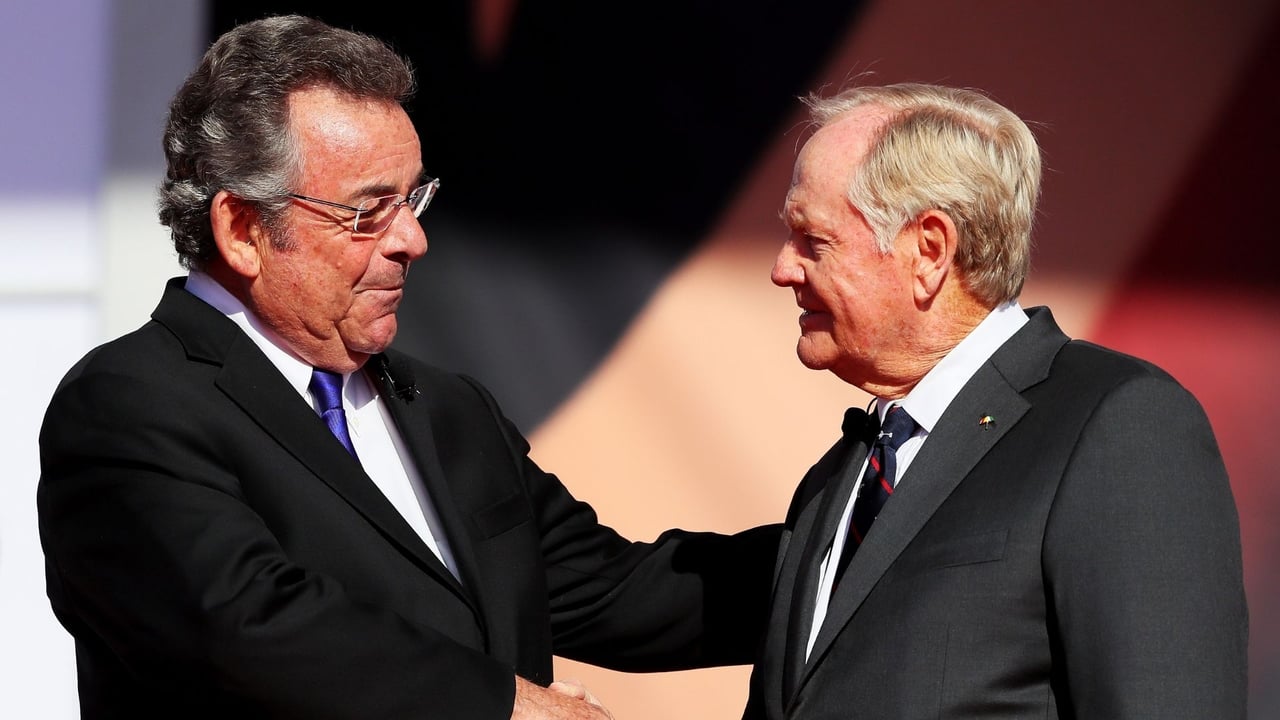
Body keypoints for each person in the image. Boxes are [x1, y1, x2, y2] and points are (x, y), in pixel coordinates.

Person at [36, 15, 777, 720]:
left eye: (414, 198)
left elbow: (621, 595)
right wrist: (502, 705)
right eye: (369, 211)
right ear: (244, 230)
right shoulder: (131, 403)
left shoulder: (447, 409)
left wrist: (855, 541)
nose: (412, 241)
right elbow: (243, 626)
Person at [744, 82, 1248, 719]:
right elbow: (627, 590)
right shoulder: (852, 473)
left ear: (929, 251)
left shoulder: (1124, 425)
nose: (782, 269)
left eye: (813, 241)